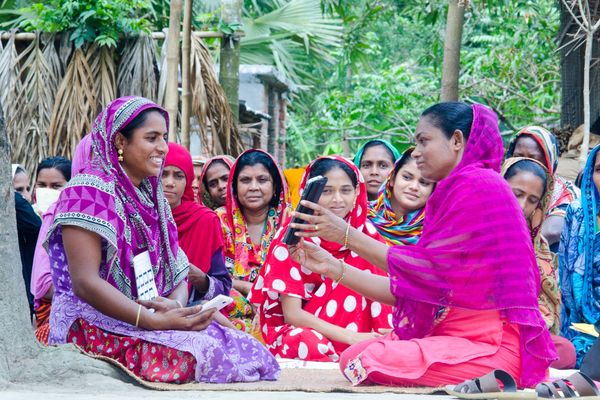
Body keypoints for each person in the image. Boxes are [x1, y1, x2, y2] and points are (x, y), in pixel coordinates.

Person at [288, 102, 556, 388]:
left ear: (456, 140)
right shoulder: (456, 187)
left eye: (423, 140)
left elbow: (423, 275)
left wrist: (345, 234)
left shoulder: (476, 185)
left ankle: (498, 375)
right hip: (456, 335)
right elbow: (418, 287)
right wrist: (330, 265)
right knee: (355, 357)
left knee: (366, 360)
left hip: (490, 345)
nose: (415, 152)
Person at [44, 96, 279, 383]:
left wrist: (176, 307)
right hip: (91, 323)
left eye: (164, 138)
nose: (162, 148)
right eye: (151, 138)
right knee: (206, 354)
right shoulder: (87, 189)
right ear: (120, 141)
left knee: (248, 349)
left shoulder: (152, 196)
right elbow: (85, 283)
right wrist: (152, 321)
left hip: (147, 316)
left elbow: (177, 267)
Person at [250, 156, 392, 362]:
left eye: (345, 190)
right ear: (310, 195)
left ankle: (374, 347)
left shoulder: (366, 234)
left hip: (366, 331)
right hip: (311, 331)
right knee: (307, 342)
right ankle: (362, 350)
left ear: (356, 193)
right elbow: (293, 315)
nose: (337, 200)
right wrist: (354, 338)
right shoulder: (292, 235)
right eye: (326, 191)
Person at [502, 157, 576, 369]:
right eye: (516, 194)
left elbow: (544, 303)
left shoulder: (536, 245)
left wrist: (534, 319)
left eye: (532, 200)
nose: (522, 205)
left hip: (522, 332)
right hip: (481, 328)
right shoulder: (478, 228)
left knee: (566, 352)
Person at [216, 149, 290, 336]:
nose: (253, 187)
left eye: (262, 180)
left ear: (275, 187)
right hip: (233, 305)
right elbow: (212, 277)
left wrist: (266, 296)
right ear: (234, 186)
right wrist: (249, 289)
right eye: (245, 180)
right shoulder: (218, 220)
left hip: (277, 302)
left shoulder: (288, 221)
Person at [30, 146, 87, 344]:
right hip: (52, 316)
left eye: (56, 186)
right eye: (41, 185)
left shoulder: (78, 216)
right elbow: (42, 285)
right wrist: (87, 287)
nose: (47, 191)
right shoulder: (46, 217)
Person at [162, 142, 232, 303]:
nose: (170, 182)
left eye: (179, 176)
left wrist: (200, 278)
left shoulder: (205, 220)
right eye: (163, 174)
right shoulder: (138, 216)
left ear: (188, 181)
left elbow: (223, 288)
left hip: (189, 312)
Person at [559, 143, 600, 368]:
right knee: (571, 353)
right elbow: (566, 276)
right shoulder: (576, 212)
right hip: (582, 325)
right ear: (590, 174)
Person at [505, 126, 579, 251]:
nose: (526, 163)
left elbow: (552, 231)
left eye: (534, 158)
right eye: (519, 156)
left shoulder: (565, 192)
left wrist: (513, 251)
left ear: (549, 161)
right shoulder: (501, 183)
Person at [367, 148, 434, 245]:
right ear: (392, 178)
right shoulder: (362, 215)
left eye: (424, 182)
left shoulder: (435, 231)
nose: (414, 187)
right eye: (407, 177)